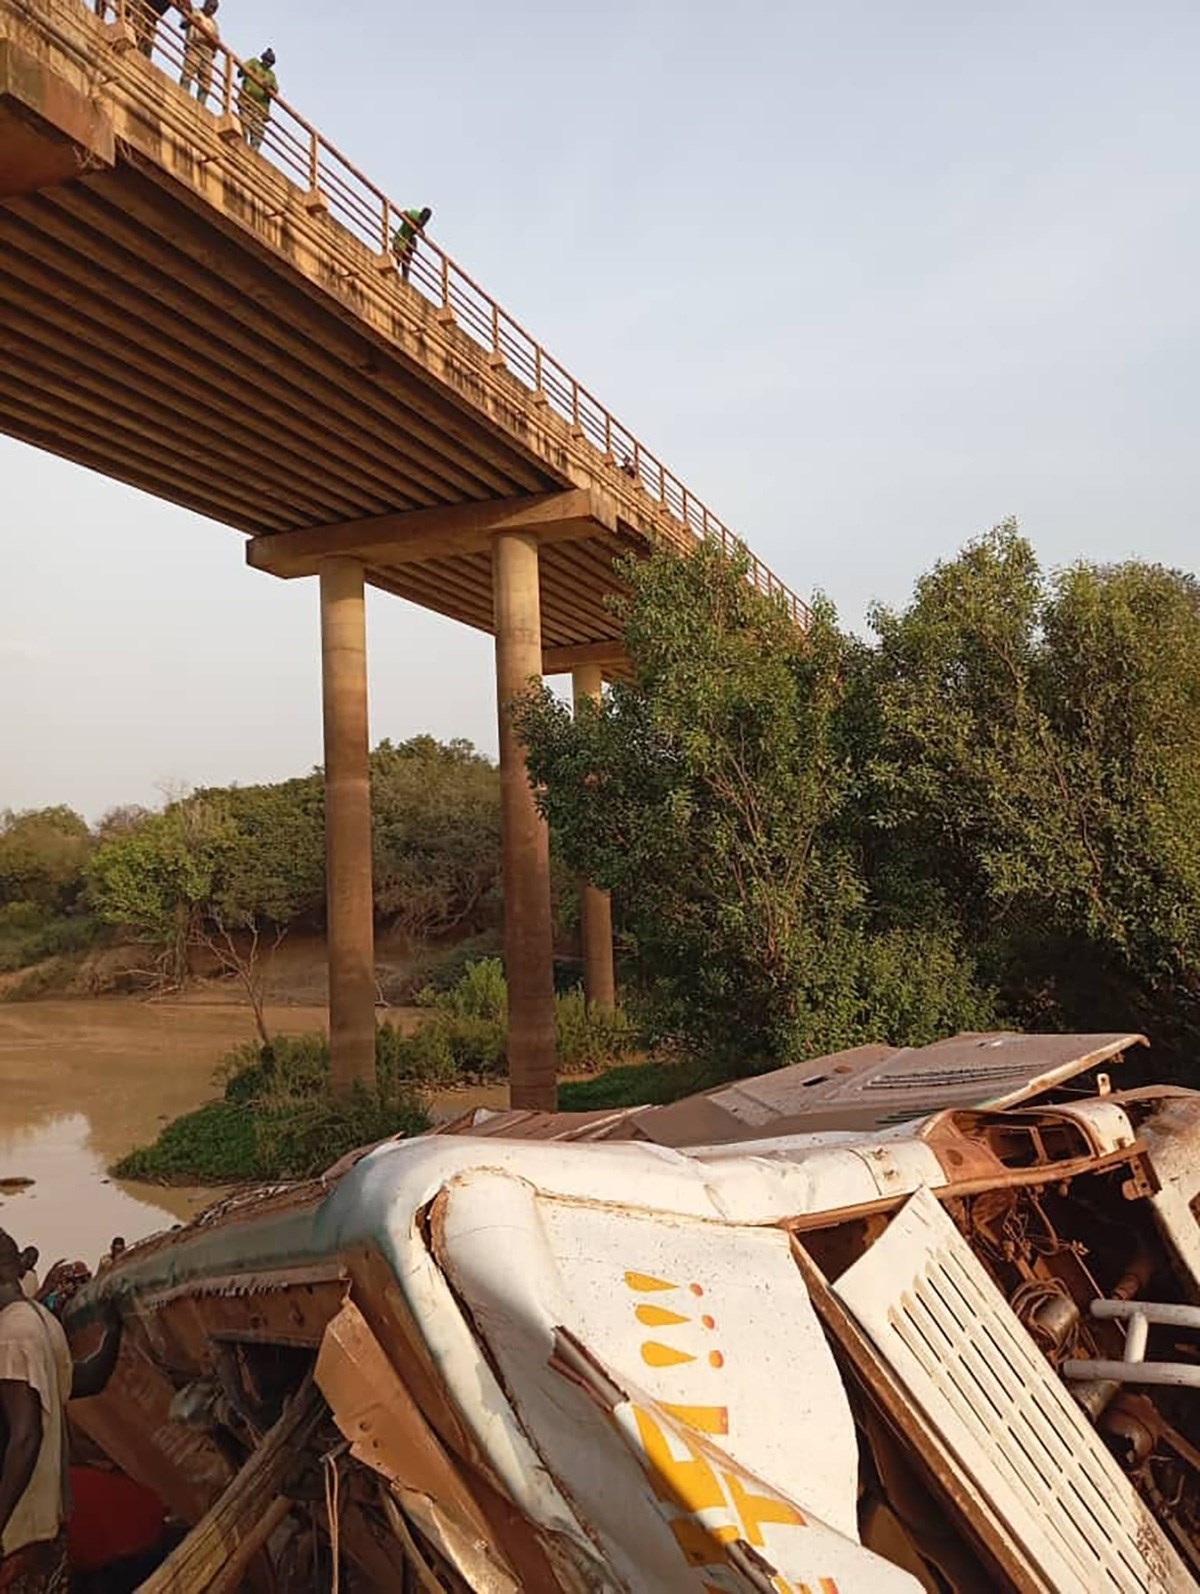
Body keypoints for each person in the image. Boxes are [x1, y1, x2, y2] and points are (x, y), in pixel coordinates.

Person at [0, 1230, 122, 1592]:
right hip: (43, 1530)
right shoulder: (40, 1319)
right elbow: (85, 1381)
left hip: (15, 1536)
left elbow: (26, 1436)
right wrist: (113, 1332)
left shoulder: (12, 1336)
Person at [236, 48, 277, 152]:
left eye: (270, 62)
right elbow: (241, 70)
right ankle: (242, 148)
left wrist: (269, 86)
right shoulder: (254, 63)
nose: (268, 63)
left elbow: (275, 89)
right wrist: (251, 73)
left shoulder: (271, 75)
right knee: (244, 125)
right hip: (247, 102)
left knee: (258, 131)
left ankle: (253, 152)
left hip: (260, 108)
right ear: (262, 59)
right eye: (267, 60)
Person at [180, 0, 219, 106]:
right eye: (210, 7)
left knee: (206, 82)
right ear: (205, 4)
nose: (211, 10)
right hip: (195, 46)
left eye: (214, 9)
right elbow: (183, 24)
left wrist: (214, 44)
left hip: (208, 52)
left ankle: (201, 105)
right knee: (188, 73)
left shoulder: (214, 24)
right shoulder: (195, 12)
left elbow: (216, 42)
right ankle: (183, 96)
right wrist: (192, 21)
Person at [392, 206, 432, 283]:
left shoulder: (422, 222)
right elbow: (406, 213)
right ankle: (394, 276)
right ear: (421, 213)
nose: (424, 221)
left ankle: (405, 281)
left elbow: (419, 225)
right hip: (400, 239)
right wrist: (417, 224)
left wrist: (420, 228)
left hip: (407, 243)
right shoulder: (414, 213)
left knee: (407, 261)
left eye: (426, 219)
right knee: (397, 260)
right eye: (424, 217)